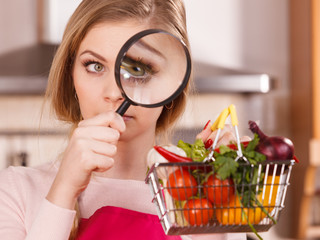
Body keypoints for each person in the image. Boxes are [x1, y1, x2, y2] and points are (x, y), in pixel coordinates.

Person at [0, 0, 247, 239]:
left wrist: (221, 194)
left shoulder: (202, 202)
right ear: (70, 74)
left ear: (174, 85)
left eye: (138, 70)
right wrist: (64, 190)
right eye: (95, 66)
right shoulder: (15, 191)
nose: (115, 92)